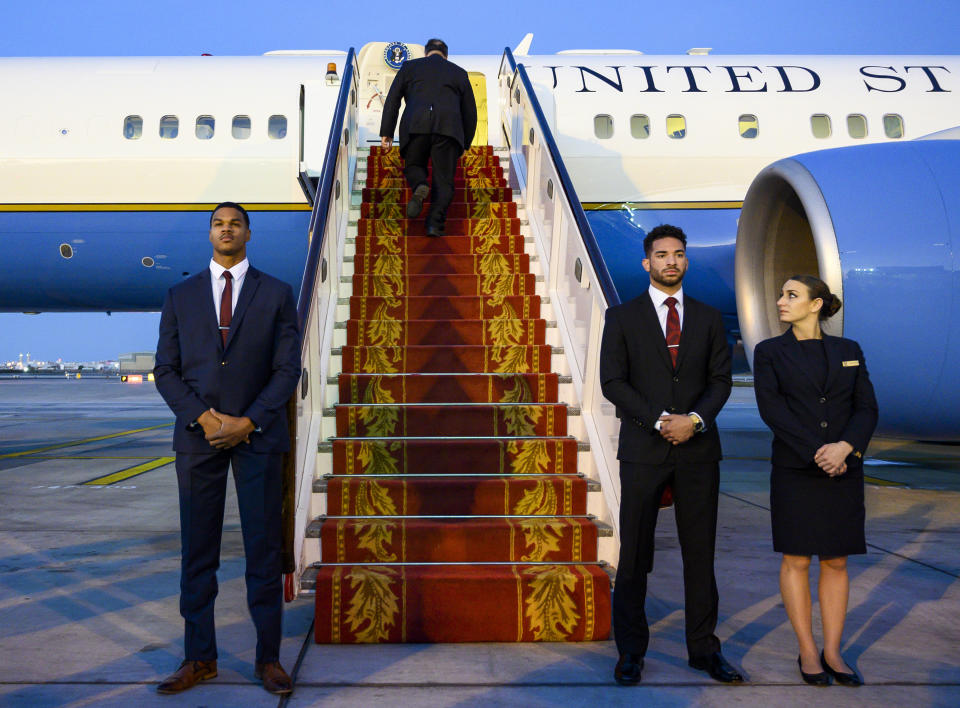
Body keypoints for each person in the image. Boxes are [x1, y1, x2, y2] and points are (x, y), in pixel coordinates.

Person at [153, 202, 301, 696]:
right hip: (198, 440)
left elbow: (286, 370)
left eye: (235, 223)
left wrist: (249, 421)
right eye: (218, 223)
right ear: (209, 233)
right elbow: (166, 370)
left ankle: (269, 660)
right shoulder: (180, 295)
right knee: (198, 553)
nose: (227, 230)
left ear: (248, 234)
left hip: (257, 438)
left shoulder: (277, 294)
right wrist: (204, 417)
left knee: (263, 551)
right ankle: (199, 658)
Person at [599, 224, 741, 686]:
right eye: (661, 254)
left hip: (699, 452)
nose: (671, 261)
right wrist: (662, 420)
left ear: (686, 260)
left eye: (678, 254)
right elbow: (613, 383)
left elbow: (721, 380)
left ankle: (703, 649)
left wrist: (694, 421)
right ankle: (630, 652)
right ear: (647, 263)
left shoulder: (708, 317)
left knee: (700, 555)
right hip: (644, 450)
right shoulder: (621, 318)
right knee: (636, 553)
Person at [753, 275, 878, 687]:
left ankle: (834, 651)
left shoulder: (849, 350)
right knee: (797, 559)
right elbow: (773, 411)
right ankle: (808, 650)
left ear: (816, 304)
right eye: (782, 294)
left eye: (792, 295)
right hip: (796, 469)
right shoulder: (769, 352)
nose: (780, 301)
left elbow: (866, 409)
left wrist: (846, 448)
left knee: (837, 560)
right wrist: (818, 452)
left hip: (844, 468)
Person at [379, 38, 478, 237]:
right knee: (444, 180)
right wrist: (466, 142)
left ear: (426, 53)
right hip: (448, 131)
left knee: (414, 165)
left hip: (416, 126)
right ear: (446, 56)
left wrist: (387, 132)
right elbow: (470, 111)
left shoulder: (409, 67)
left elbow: (393, 100)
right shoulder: (459, 73)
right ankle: (434, 224)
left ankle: (420, 185)